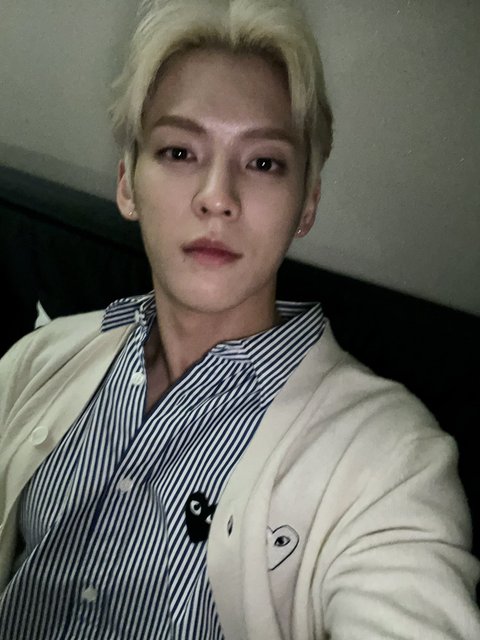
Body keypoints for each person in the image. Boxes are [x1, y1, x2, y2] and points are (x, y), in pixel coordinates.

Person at [0, 0, 479, 637]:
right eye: (178, 151)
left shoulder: (390, 458)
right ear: (127, 185)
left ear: (306, 205)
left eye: (263, 162)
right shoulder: (36, 362)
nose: (217, 197)